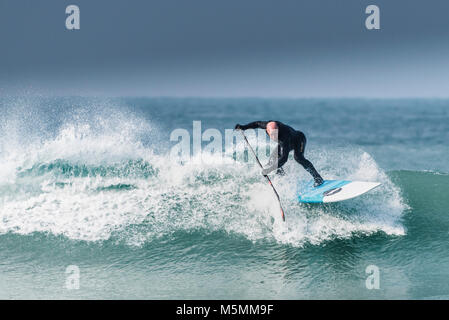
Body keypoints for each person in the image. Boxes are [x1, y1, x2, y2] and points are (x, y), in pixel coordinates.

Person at [235, 120, 324, 187]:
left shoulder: (283, 137)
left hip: (298, 140)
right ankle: (284, 180)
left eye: (276, 134)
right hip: (285, 143)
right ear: (267, 130)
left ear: (278, 129)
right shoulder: (268, 125)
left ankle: (318, 178)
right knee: (272, 160)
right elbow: (256, 124)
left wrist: (269, 170)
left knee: (298, 158)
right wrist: (243, 127)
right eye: (272, 135)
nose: (274, 137)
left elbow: (284, 159)